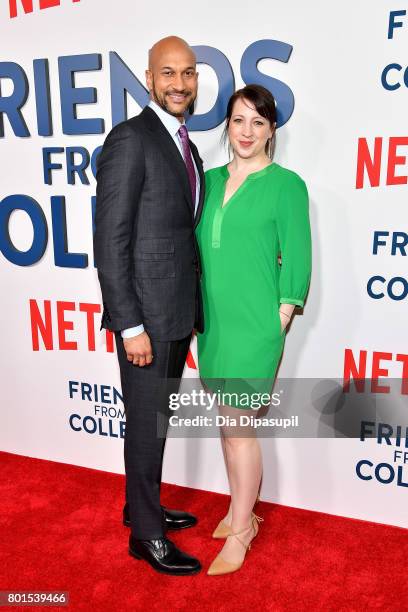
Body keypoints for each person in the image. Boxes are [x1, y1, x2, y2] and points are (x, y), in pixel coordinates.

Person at [94, 36, 205, 576]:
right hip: (146, 320)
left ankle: (142, 507)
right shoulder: (130, 140)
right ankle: (146, 536)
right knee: (145, 424)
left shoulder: (188, 145)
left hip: (176, 314)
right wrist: (130, 324)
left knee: (154, 421)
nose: (179, 84)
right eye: (168, 73)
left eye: (187, 74)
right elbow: (110, 242)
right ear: (148, 77)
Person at [196, 84, 312, 575]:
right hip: (213, 324)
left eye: (258, 123)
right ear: (227, 124)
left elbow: (299, 256)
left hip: (255, 326)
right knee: (228, 428)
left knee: (240, 429)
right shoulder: (207, 177)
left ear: (271, 130)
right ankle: (237, 510)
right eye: (239, 120)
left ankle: (243, 527)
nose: (247, 132)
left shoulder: (287, 185)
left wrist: (282, 315)